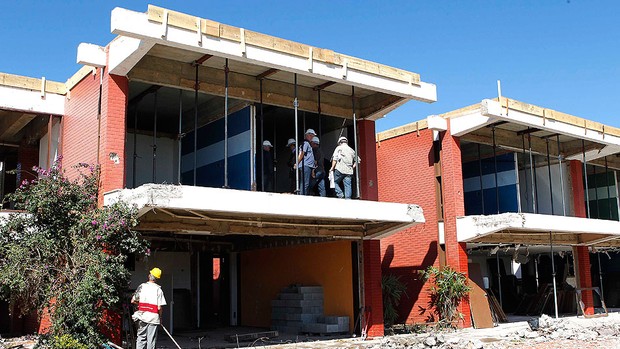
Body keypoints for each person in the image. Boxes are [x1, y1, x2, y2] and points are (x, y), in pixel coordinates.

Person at [132, 268, 167, 349]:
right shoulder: (158, 290)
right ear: (157, 278)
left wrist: (141, 305)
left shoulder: (142, 287)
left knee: (141, 338)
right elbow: (159, 307)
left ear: (149, 276)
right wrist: (160, 317)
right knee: (151, 340)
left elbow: (133, 300)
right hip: (153, 318)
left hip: (142, 316)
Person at [297, 129, 316, 195]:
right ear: (308, 135)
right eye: (312, 136)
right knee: (305, 183)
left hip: (307, 166)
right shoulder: (306, 143)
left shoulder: (307, 144)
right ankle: (302, 196)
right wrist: (297, 163)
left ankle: (303, 194)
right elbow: (302, 153)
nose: (312, 138)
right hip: (306, 166)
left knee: (305, 182)